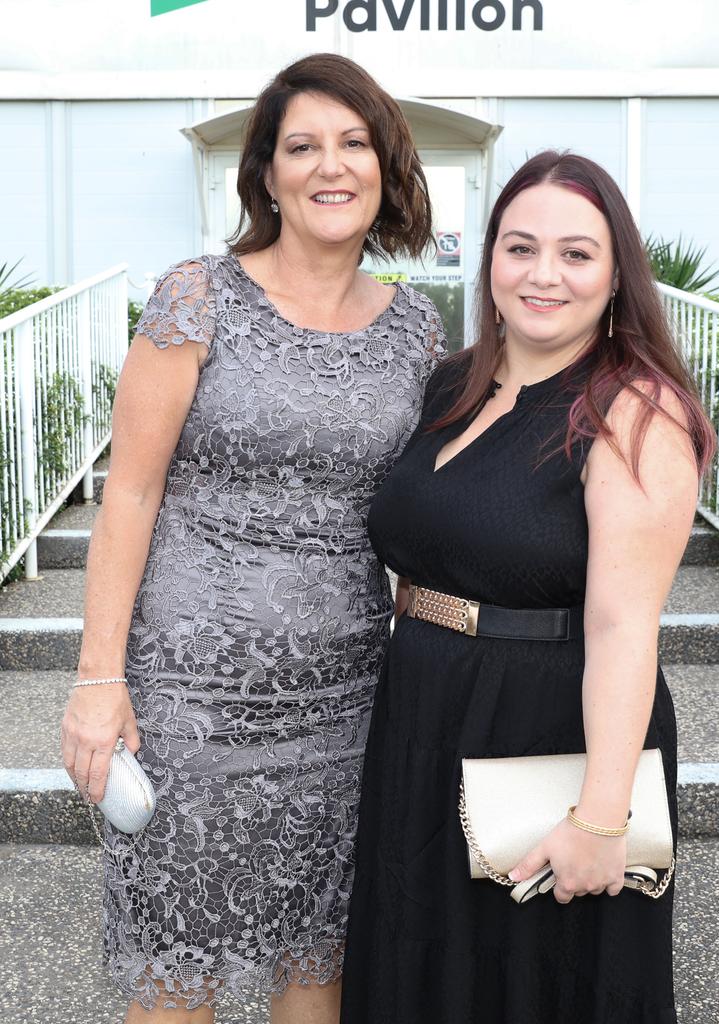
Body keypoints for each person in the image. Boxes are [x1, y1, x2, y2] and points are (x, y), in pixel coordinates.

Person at [60, 53, 443, 1024]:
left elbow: (428, 514)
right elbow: (132, 495)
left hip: (347, 706)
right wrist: (98, 681)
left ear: (387, 168)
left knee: (316, 962)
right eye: (302, 146)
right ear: (266, 176)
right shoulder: (197, 297)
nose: (331, 165)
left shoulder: (417, 330)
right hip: (191, 704)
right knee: (177, 969)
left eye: (354, 143)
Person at [340, 150, 716, 1023]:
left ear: (617, 274)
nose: (544, 274)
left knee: (538, 981)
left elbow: (625, 629)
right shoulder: (453, 383)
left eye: (577, 253)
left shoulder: (632, 411)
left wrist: (601, 818)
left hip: (550, 727)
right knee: (420, 965)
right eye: (520, 247)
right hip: (424, 711)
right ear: (491, 261)